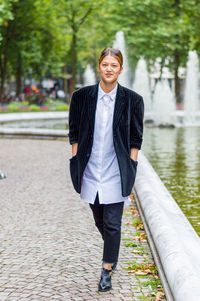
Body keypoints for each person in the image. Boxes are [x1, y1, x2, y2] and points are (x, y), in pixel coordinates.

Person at [68, 48, 144, 292]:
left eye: (114, 65)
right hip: (90, 169)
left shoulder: (133, 100)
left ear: (121, 69)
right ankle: (113, 250)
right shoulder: (82, 97)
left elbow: (136, 138)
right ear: (99, 67)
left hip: (116, 170)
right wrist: (76, 160)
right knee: (100, 220)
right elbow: (74, 132)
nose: (109, 68)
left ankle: (107, 269)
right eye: (105, 64)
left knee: (112, 223)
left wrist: (131, 165)